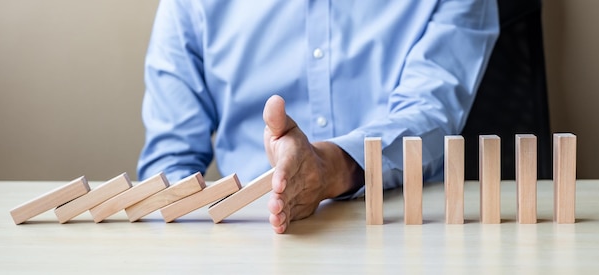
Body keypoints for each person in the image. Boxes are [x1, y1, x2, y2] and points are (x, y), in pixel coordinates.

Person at [137, 0, 499, 233]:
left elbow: (431, 112)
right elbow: (170, 168)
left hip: (410, 232)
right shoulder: (188, 5)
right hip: (255, 239)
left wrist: (330, 168)